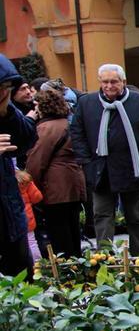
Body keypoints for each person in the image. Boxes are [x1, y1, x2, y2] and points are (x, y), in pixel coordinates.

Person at [70, 63, 139, 255]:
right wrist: (86, 162)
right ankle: (105, 257)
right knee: (102, 216)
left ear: (124, 82)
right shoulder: (87, 103)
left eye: (114, 82)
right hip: (100, 171)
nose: (109, 86)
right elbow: (77, 134)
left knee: (135, 217)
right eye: (105, 82)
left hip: (133, 170)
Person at [25, 87, 84, 258]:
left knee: (60, 234)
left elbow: (37, 161)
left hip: (55, 188)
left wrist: (31, 187)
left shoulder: (45, 128)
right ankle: (77, 268)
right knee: (73, 231)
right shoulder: (68, 123)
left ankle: (66, 273)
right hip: (73, 184)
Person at [0, 57, 36, 275]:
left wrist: (7, 112)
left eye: (5, 88)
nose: (3, 93)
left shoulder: (6, 108)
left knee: (22, 285)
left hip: (10, 216)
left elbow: (26, 140)